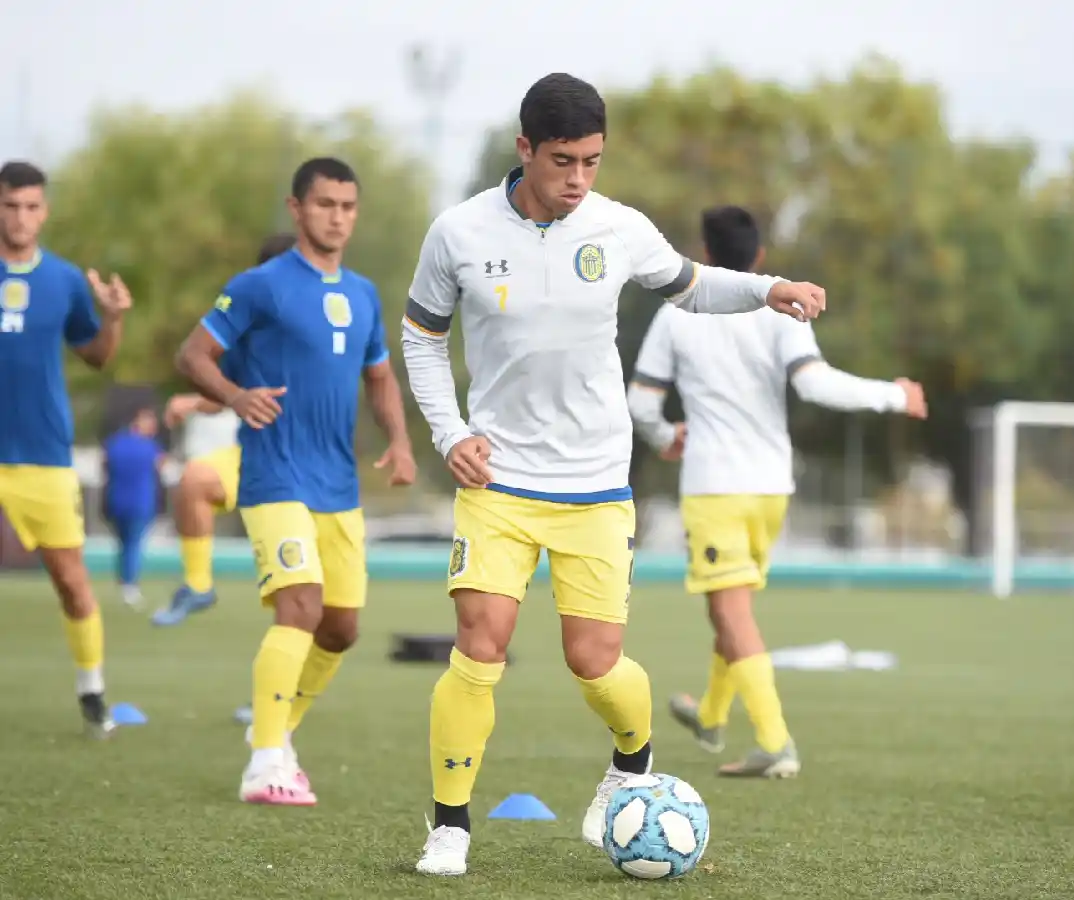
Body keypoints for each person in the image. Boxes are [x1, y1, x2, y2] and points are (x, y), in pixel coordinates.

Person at [401, 73, 827, 877]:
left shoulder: (618, 227)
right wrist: (450, 432)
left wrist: (769, 289)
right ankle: (450, 826)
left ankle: (633, 758)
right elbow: (421, 336)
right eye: (562, 160)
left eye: (592, 161)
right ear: (525, 148)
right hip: (497, 481)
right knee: (480, 642)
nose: (578, 179)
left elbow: (691, 285)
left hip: (595, 484)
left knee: (593, 661)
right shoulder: (457, 231)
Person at [627, 205, 927, 777]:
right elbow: (815, 385)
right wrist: (894, 395)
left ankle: (774, 742)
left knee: (730, 611)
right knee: (732, 607)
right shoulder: (778, 305)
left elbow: (641, 403)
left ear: (705, 255)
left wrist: (665, 437)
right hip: (770, 487)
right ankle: (711, 716)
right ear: (759, 255)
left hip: (715, 485)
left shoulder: (676, 314)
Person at [176, 157, 416, 806]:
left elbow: (379, 377)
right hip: (273, 473)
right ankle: (263, 764)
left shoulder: (363, 294)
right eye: (325, 204)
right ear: (297, 208)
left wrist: (399, 443)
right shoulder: (260, 286)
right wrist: (235, 396)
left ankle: (277, 732)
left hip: (337, 483)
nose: (337, 217)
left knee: (340, 630)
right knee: (300, 607)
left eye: (348, 206)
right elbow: (192, 354)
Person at [0, 159, 133, 736]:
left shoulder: (63, 280)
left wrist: (113, 318)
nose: (20, 217)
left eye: (31, 206)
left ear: (44, 212)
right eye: (10, 205)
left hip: (43, 456)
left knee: (73, 583)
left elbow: (97, 356)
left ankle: (92, 692)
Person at [153, 232, 297, 629]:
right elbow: (232, 391)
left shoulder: (340, 315)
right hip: (259, 451)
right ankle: (198, 585)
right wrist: (194, 402)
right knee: (193, 481)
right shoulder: (253, 332)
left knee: (321, 614)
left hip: (313, 464)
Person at [102, 405, 166, 608]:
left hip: (115, 502)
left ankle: (124, 582)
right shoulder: (151, 447)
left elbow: (104, 467)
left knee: (123, 545)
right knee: (133, 544)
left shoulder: (114, 443)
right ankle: (129, 586)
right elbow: (161, 467)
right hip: (140, 503)